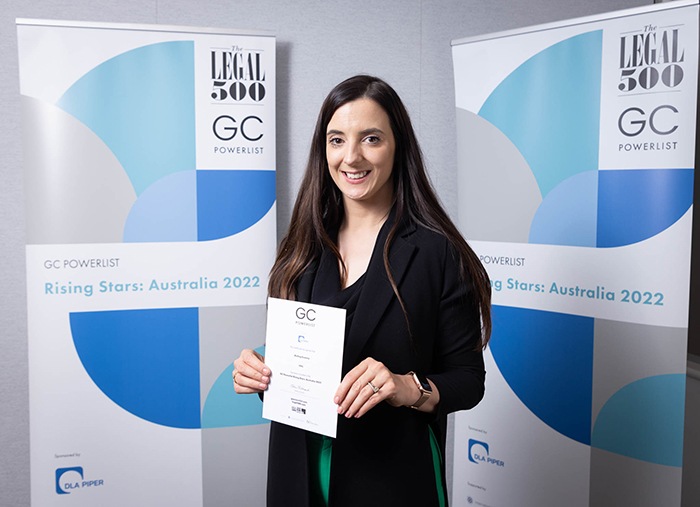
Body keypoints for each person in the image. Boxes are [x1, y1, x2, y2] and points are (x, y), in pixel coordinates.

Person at [232, 74, 491, 507]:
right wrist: (261, 374)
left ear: (398, 146)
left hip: (390, 479)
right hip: (297, 473)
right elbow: (303, 363)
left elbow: (468, 380)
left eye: (371, 138)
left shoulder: (436, 252)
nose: (351, 157)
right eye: (337, 140)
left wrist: (407, 387)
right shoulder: (302, 246)